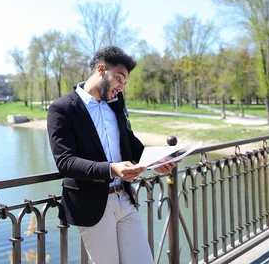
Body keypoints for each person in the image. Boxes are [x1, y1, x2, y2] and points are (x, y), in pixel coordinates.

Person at [47, 46, 175, 264]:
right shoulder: (61, 109)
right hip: (92, 205)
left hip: (124, 197)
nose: (121, 86)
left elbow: (129, 141)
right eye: (119, 78)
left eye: (124, 82)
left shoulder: (116, 103)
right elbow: (65, 162)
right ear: (101, 70)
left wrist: (155, 160)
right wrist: (112, 169)